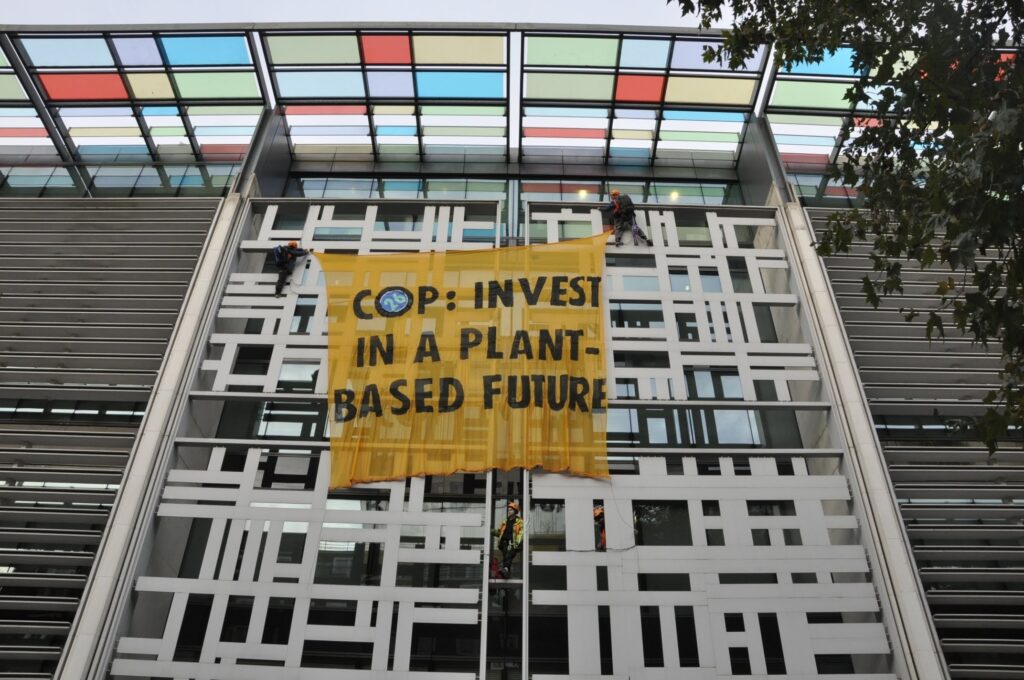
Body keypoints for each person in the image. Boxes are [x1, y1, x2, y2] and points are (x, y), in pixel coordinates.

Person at [493, 501, 524, 578]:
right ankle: (506, 575)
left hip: (512, 543)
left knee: (508, 556)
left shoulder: (520, 522)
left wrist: (517, 542)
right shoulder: (505, 521)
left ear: (515, 511)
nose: (509, 511)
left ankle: (506, 570)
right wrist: (493, 531)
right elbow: (500, 532)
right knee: (506, 559)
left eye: (511, 510)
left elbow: (521, 533)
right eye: (508, 510)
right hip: (504, 543)